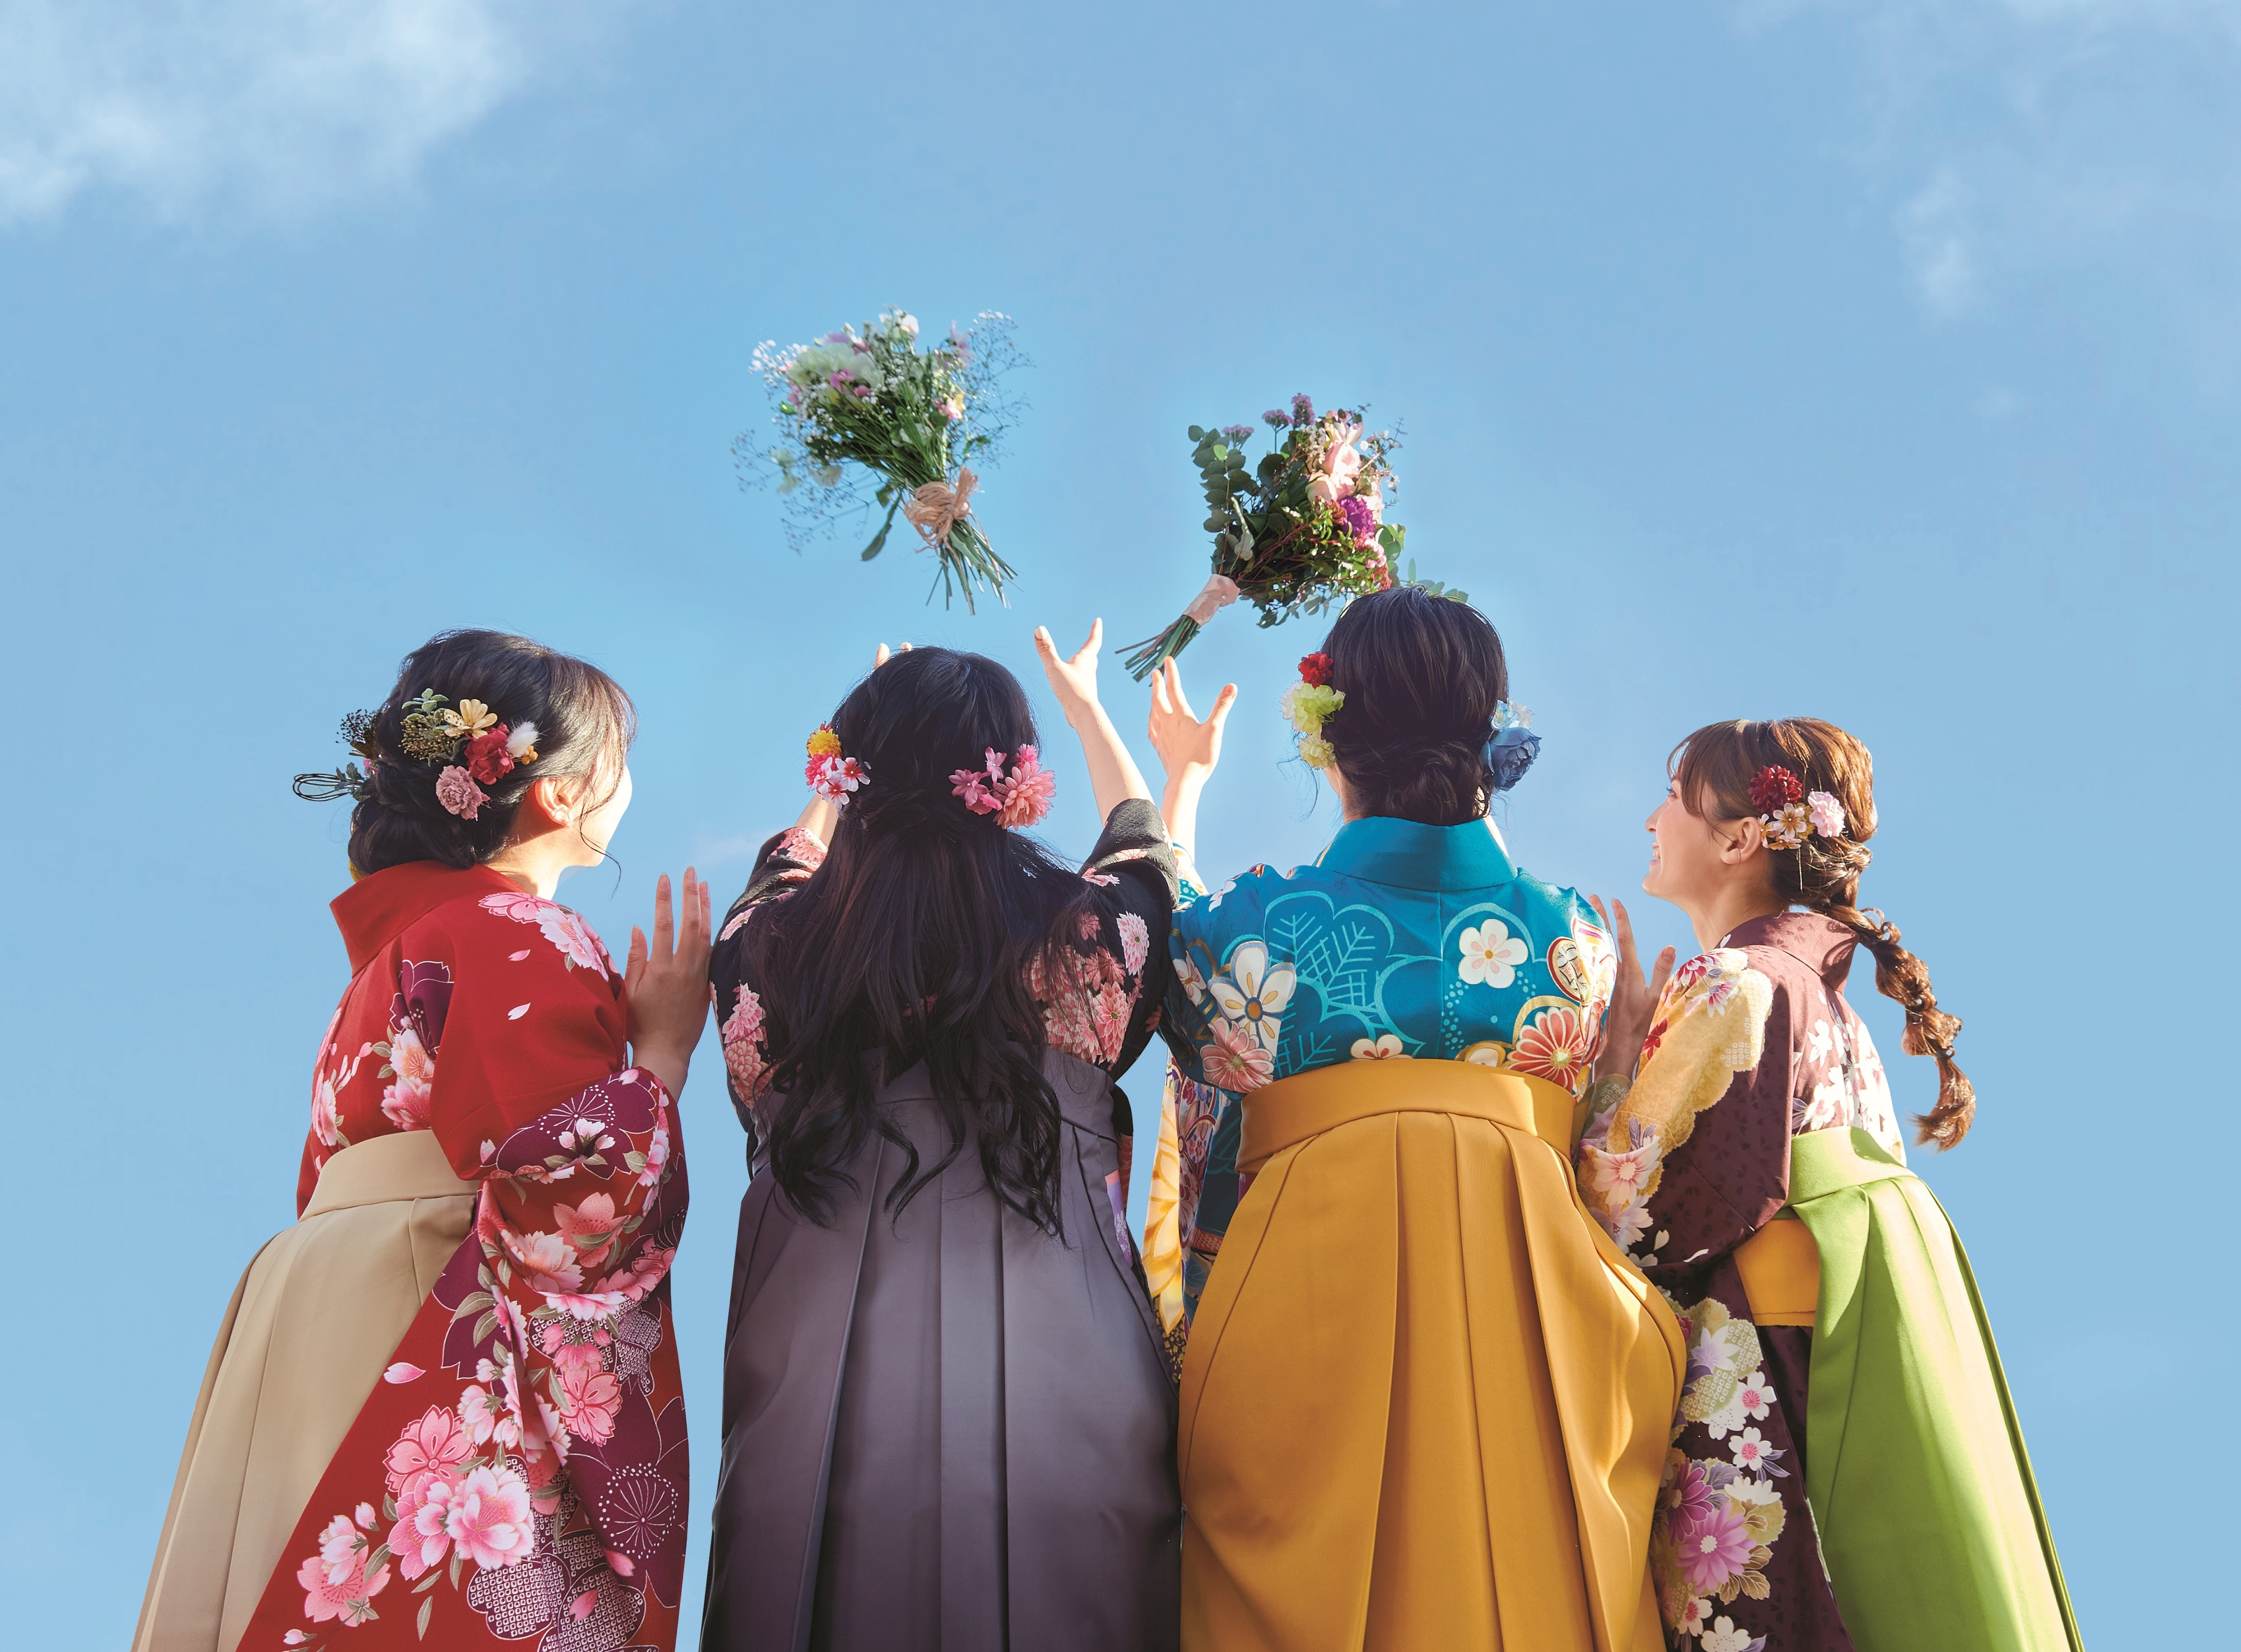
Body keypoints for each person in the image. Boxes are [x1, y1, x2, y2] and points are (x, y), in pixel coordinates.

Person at [136, 629, 709, 1652]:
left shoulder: (382, 966)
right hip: (425, 1295)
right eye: (618, 758)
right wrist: (661, 1056)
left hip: (310, 1301)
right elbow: (564, 1193)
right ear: (559, 794)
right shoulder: (520, 930)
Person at [1148, 585, 1684, 1652]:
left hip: (1308, 1331)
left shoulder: (1240, 929)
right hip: (1535, 1343)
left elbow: (1194, 1100)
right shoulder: (1575, 941)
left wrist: (1177, 790)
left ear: (1328, 736)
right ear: (1489, 731)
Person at [700, 627, 1182, 1652]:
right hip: (1064, 1368)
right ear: (1013, 778)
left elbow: (783, 868)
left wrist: (841, 769)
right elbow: (1143, 844)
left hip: (811, 1373)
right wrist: (1087, 709)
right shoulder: (1090, 938)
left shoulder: (769, 956)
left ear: (848, 773)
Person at [1576, 718, 2078, 1652]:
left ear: (1739, 837)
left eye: (1673, 799)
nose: (1650, 818)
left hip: (1759, 1383)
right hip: (1833, 1366)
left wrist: (1608, 1073)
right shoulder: (1830, 1008)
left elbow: (1634, 1213)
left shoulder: (1737, 979)